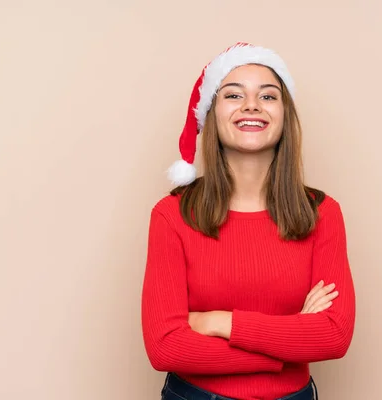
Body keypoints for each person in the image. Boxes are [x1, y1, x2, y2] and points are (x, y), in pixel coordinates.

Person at [141, 42, 356, 400]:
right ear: (210, 115)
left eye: (268, 96)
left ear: (285, 115)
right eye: (233, 95)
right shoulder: (172, 215)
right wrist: (286, 344)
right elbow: (165, 347)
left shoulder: (322, 212)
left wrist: (217, 322)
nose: (251, 105)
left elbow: (333, 335)